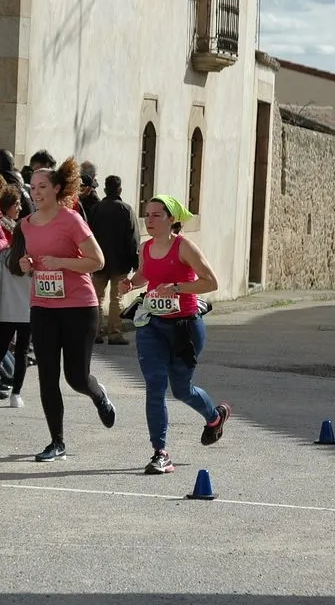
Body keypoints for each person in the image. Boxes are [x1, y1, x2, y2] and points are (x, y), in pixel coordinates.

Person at [118, 195, 230, 475]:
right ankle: (160, 452)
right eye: (147, 214)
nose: (149, 220)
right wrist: (131, 283)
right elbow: (145, 274)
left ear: (171, 219)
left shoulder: (184, 247)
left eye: (156, 215)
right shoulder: (145, 248)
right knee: (155, 385)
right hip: (152, 325)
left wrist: (177, 287)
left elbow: (211, 282)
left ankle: (214, 417)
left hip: (184, 327)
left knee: (181, 390)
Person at [19, 157, 116, 462]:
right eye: (33, 187)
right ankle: (56, 441)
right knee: (47, 376)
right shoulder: (26, 224)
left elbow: (97, 261)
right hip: (43, 305)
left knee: (76, 377)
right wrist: (26, 264)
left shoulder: (71, 219)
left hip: (78, 305)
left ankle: (98, 394)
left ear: (57, 188)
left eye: (42, 187)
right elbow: (32, 261)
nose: (36, 192)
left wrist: (61, 262)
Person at [88, 175, 139, 345]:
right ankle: (115, 333)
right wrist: (135, 261)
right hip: (121, 261)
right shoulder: (126, 209)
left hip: (98, 261)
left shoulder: (96, 209)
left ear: (104, 190)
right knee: (116, 298)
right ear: (120, 190)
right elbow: (133, 238)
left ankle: (95, 332)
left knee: (96, 297)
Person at [0, 223, 32, 408]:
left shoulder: (3, 257)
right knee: (22, 354)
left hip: (5, 313)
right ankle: (16, 394)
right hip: (28, 313)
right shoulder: (35, 259)